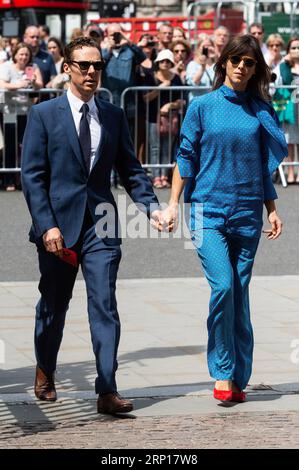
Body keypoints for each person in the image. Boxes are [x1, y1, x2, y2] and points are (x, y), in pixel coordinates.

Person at [21, 37, 161, 415]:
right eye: (83, 65)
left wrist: (151, 209)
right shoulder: (44, 115)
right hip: (57, 230)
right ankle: (46, 368)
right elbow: (32, 176)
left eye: (97, 66)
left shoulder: (113, 116)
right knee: (54, 305)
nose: (91, 73)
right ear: (66, 67)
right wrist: (47, 225)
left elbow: (130, 170)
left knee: (104, 304)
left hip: (101, 225)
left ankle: (106, 389)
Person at [161, 35, 287, 403]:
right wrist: (172, 204)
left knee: (240, 294)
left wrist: (272, 208)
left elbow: (262, 166)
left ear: (255, 70)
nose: (241, 67)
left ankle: (239, 375)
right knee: (224, 287)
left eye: (249, 62)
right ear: (223, 64)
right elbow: (185, 158)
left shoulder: (261, 111)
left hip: (248, 211)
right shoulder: (202, 107)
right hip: (207, 211)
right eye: (235, 60)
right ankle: (222, 371)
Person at [0, 42, 43, 191]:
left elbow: (40, 85)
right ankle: (9, 179)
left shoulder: (32, 68)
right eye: (21, 54)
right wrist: (18, 85)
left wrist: (34, 82)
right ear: (15, 54)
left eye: (26, 54)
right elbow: (2, 84)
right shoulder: (6, 67)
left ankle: (23, 179)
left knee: (27, 146)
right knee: (10, 146)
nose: (24, 57)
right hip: (9, 111)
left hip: (27, 111)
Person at [143, 49, 184, 188]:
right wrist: (161, 87)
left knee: (167, 148)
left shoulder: (176, 78)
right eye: (162, 61)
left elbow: (181, 100)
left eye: (168, 61)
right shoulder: (151, 76)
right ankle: (156, 177)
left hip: (171, 118)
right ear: (158, 62)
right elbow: (146, 98)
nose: (165, 63)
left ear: (172, 62)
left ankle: (164, 176)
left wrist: (170, 105)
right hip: (153, 118)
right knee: (155, 148)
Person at [274, 37, 299, 184]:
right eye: (293, 48)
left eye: (298, 48)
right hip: (289, 107)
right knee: (289, 140)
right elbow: (276, 80)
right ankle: (290, 171)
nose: (296, 51)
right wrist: (285, 63)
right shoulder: (284, 66)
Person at [186, 35, 215, 102]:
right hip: (198, 102)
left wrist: (216, 58)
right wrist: (202, 67)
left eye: (210, 45)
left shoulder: (217, 65)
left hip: (213, 102)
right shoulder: (192, 65)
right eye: (204, 46)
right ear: (198, 48)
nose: (207, 48)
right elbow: (194, 82)